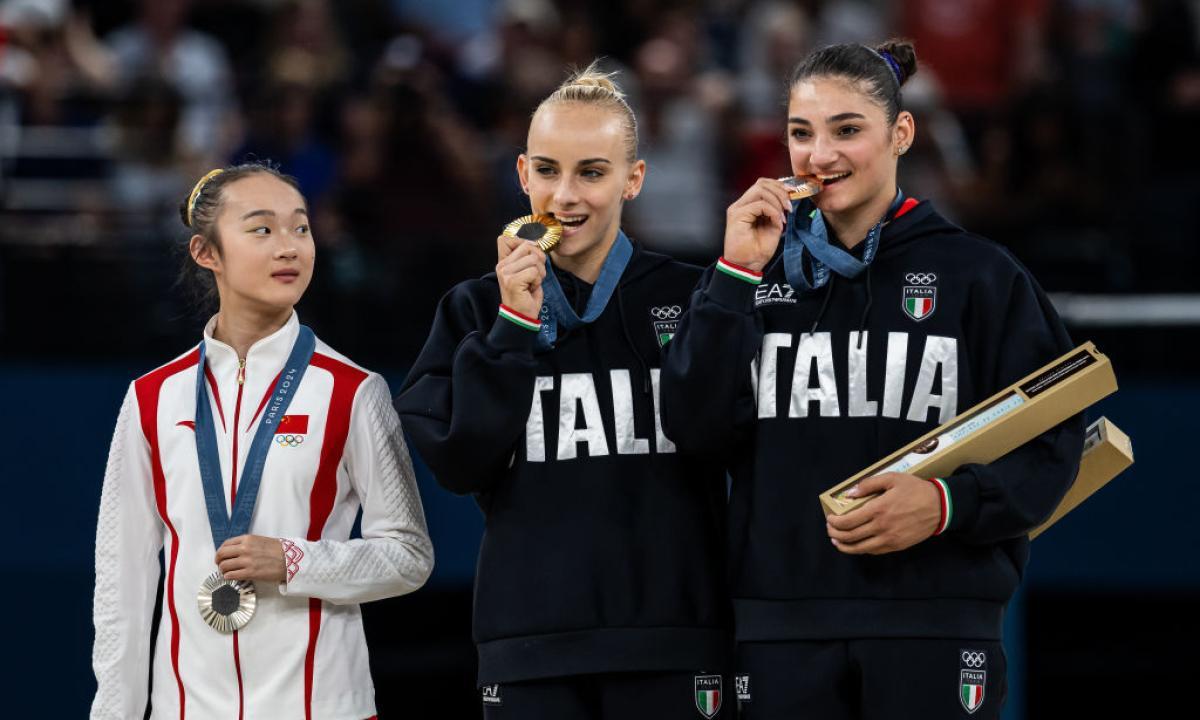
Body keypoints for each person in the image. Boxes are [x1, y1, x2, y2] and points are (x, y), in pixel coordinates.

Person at [660, 41, 1084, 719]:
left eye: (847, 129)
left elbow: (1057, 440)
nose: (820, 155)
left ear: (901, 132)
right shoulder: (748, 277)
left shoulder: (981, 276)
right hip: (779, 629)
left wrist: (947, 504)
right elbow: (692, 428)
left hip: (937, 624)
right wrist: (734, 276)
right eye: (802, 133)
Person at [396, 63, 731, 719]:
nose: (564, 195)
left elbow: (728, 439)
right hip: (530, 644)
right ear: (522, 173)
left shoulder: (693, 298)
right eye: (547, 170)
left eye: (593, 172)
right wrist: (513, 328)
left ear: (633, 179)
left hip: (674, 640)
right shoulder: (473, 309)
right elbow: (460, 460)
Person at [91, 163, 434, 719]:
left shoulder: (353, 392)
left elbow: (409, 555)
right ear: (207, 253)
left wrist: (295, 560)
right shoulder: (153, 399)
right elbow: (121, 583)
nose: (289, 248)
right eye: (261, 229)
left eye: (301, 228)